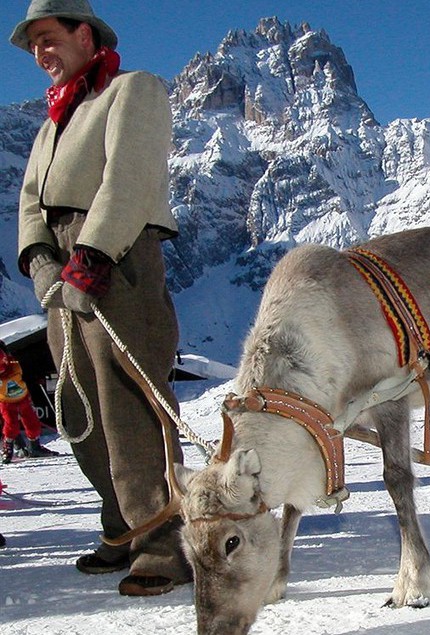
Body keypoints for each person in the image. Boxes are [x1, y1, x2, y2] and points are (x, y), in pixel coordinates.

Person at [11, 0, 190, 596]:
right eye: (32, 44)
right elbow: (31, 203)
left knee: (128, 397)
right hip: (64, 266)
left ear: (84, 35)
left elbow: (130, 178)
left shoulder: (130, 91)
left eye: (49, 37)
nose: (40, 53)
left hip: (118, 253)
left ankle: (161, 540)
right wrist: (43, 266)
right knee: (78, 401)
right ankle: (120, 527)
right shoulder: (49, 126)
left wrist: (91, 260)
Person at [1, 340, 59, 464]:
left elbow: (26, 373)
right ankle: (9, 448)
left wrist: (35, 379)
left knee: (32, 422)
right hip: (6, 402)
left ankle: (35, 447)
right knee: (11, 425)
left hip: (23, 398)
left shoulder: (14, 363)